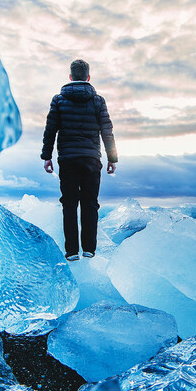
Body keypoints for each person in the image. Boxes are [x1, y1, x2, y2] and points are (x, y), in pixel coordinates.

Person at [41, 59, 118, 262]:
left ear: (70, 77)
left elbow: (50, 130)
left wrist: (47, 156)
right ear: (88, 77)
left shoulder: (59, 100)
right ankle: (89, 249)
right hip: (91, 159)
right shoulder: (98, 101)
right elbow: (107, 131)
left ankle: (72, 251)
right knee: (90, 203)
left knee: (69, 204)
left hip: (67, 159)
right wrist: (112, 158)